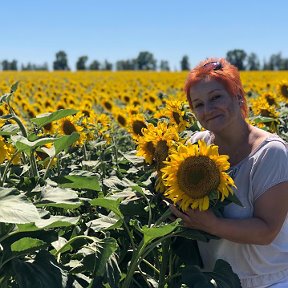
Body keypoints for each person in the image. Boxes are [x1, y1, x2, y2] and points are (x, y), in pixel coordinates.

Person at [170, 57, 288, 288]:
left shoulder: (270, 153)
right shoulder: (196, 147)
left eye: (216, 98)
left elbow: (266, 231)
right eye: (199, 104)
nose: (209, 110)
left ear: (238, 95)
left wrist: (209, 224)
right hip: (214, 280)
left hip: (268, 281)